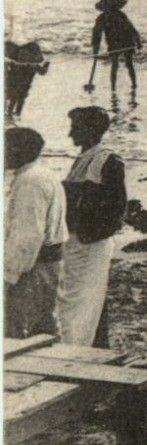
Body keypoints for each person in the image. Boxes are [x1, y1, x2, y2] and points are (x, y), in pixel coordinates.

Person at [56, 106, 126, 347]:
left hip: (90, 243)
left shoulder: (107, 160)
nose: (70, 134)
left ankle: (80, 348)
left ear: (90, 130)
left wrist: (88, 235)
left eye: (75, 128)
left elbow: (117, 209)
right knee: (82, 298)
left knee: (83, 298)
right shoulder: (86, 157)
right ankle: (89, 346)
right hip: (77, 241)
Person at [5, 127, 66, 338]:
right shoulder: (42, 174)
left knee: (18, 328)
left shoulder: (29, 182)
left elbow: (28, 236)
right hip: (47, 263)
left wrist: (9, 275)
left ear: (17, 150)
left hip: (33, 268)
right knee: (42, 322)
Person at [90, 0, 141, 96]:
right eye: (109, 3)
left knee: (129, 63)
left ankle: (134, 85)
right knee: (115, 64)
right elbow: (96, 34)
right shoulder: (102, 18)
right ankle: (113, 88)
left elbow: (131, 28)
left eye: (112, 3)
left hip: (127, 41)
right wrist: (95, 48)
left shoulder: (121, 15)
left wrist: (137, 40)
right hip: (113, 43)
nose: (111, 6)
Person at [5, 39, 49, 119]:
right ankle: (16, 114)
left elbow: (10, 71)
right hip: (25, 85)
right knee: (20, 99)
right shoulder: (34, 65)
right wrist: (47, 64)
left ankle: (10, 114)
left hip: (16, 84)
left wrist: (9, 64)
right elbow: (43, 72)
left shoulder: (18, 64)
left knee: (14, 98)